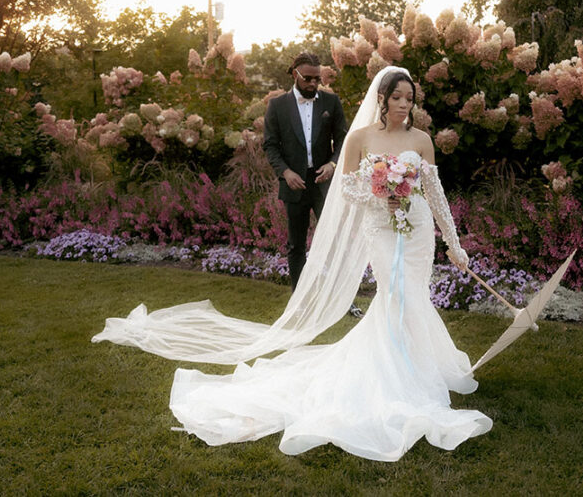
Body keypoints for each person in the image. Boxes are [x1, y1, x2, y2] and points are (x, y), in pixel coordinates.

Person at [92, 66, 491, 461]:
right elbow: (348, 189)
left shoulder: (421, 140)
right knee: (394, 293)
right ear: (383, 99)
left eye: (409, 98)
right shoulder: (361, 138)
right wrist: (380, 194)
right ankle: (398, 375)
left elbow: (435, 194)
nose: (404, 105)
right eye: (397, 97)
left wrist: (454, 243)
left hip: (417, 230)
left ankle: (420, 368)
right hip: (382, 231)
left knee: (414, 295)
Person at [262, 51, 348, 290]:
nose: (313, 83)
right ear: (294, 74)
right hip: (294, 183)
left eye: (317, 79)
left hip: (324, 182)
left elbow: (344, 140)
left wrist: (332, 165)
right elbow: (270, 145)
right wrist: (286, 173)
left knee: (333, 242)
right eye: (308, 78)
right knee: (296, 245)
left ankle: (338, 299)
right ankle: (298, 300)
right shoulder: (277, 106)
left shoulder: (331, 102)